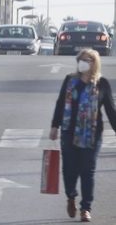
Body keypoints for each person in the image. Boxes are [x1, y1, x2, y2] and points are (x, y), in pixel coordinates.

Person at [49, 49, 116, 223]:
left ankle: (86, 208)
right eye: (81, 60)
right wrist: (54, 126)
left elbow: (110, 110)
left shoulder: (102, 84)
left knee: (88, 171)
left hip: (92, 135)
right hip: (69, 132)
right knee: (69, 169)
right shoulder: (70, 81)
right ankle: (71, 196)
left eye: (87, 60)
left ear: (94, 63)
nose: (83, 63)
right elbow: (60, 103)